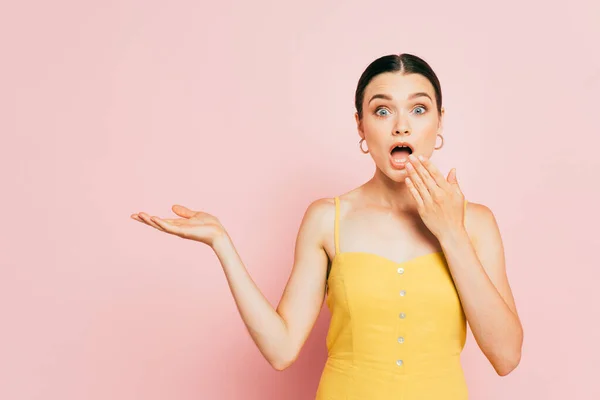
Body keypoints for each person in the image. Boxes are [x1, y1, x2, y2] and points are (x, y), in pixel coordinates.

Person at [131, 53, 523, 399]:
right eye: (382, 111)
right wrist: (222, 244)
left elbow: (506, 357)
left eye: (419, 110)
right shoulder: (327, 219)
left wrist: (450, 233)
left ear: (439, 123)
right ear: (360, 126)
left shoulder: (476, 223)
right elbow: (281, 350)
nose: (401, 126)